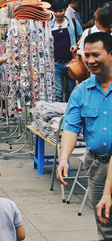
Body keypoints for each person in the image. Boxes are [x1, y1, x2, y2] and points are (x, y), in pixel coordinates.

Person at [57, 32, 112, 239]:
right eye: (86, 55)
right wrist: (63, 159)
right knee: (104, 223)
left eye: (95, 55)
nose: (90, 61)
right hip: (97, 166)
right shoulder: (81, 91)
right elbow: (71, 126)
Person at [51, 0, 83, 102]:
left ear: (65, 10)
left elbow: (81, 37)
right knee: (58, 93)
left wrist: (76, 45)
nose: (58, 14)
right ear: (52, 11)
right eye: (56, 11)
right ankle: (59, 116)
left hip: (71, 64)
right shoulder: (49, 25)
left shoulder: (73, 22)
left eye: (61, 11)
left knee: (71, 92)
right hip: (56, 63)